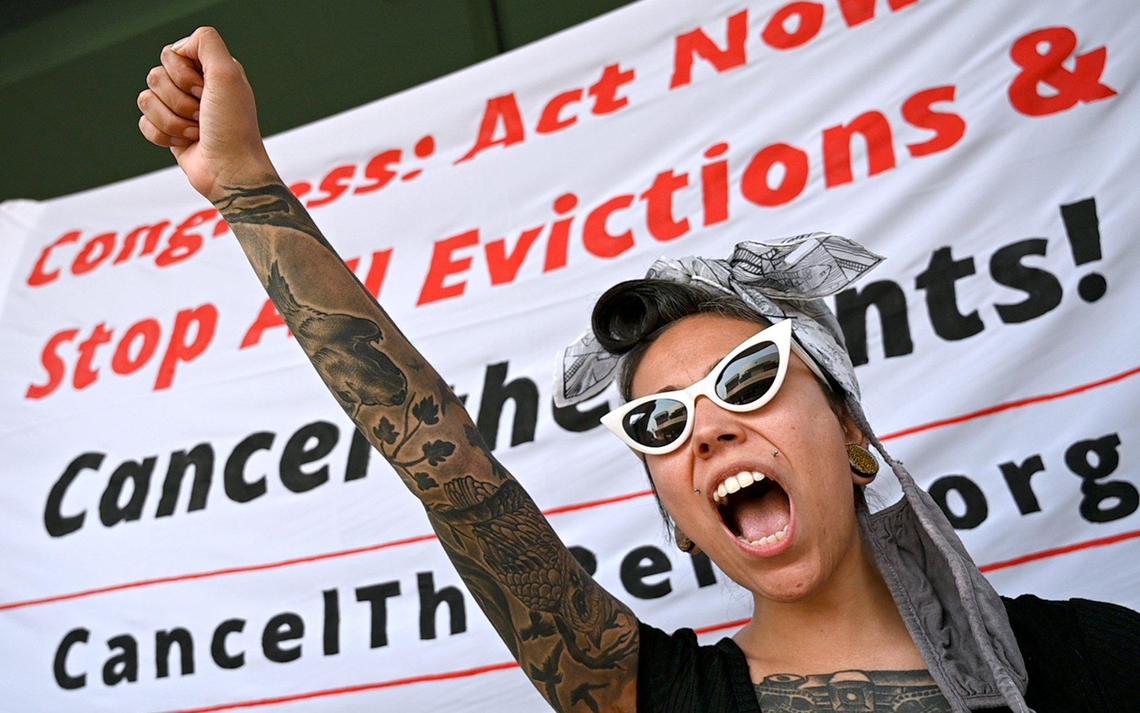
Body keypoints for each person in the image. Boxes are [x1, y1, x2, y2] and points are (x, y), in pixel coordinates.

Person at [137, 27, 1139, 713]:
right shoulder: (648, 692)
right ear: (671, 499)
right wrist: (246, 189)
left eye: (747, 381)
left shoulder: (1095, 659)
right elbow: (442, 464)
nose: (706, 428)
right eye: (662, 425)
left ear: (852, 433)